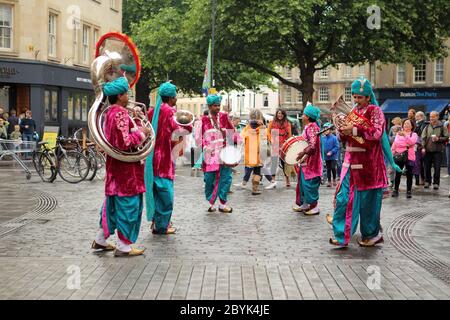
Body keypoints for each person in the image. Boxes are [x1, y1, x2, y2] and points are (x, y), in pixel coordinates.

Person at [91, 77, 150, 257]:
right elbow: (124, 143)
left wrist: (136, 119)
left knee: (112, 206)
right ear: (119, 95)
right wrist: (142, 132)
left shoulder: (111, 112)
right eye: (126, 93)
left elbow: (119, 137)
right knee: (128, 206)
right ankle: (124, 246)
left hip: (115, 168)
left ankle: (100, 240)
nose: (129, 96)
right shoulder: (120, 114)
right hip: (127, 171)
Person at [330, 77, 386, 247]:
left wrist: (354, 128)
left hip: (369, 167)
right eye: (354, 97)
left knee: (369, 204)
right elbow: (343, 139)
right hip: (349, 164)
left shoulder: (375, 111)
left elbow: (376, 134)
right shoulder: (353, 112)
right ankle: (341, 236)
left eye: (359, 97)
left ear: (368, 97)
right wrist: (341, 129)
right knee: (343, 200)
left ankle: (371, 235)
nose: (356, 100)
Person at [146, 82, 192, 234]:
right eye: (175, 96)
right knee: (166, 195)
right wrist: (188, 126)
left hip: (151, 157)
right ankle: (162, 226)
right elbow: (181, 129)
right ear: (171, 97)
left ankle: (155, 221)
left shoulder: (152, 111)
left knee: (155, 192)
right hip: (164, 159)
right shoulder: (169, 111)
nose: (176, 99)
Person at [197, 94, 238, 212]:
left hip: (224, 152)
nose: (218, 107)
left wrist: (227, 135)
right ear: (209, 106)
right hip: (210, 154)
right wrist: (206, 146)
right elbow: (199, 137)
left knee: (226, 178)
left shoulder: (224, 117)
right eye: (215, 105)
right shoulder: (203, 119)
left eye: (219, 105)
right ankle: (211, 202)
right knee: (209, 179)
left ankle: (222, 204)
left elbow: (232, 133)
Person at [292, 103, 322, 215]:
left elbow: (313, 145)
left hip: (311, 162)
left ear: (308, 116)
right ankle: (305, 204)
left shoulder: (313, 127)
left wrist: (302, 153)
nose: (302, 116)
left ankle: (314, 207)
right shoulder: (308, 127)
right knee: (303, 184)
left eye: (304, 114)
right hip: (305, 161)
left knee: (310, 185)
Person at [240, 109, 276, 194]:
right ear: (260, 116)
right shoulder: (262, 128)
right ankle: (254, 189)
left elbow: (243, 137)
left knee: (251, 169)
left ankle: (249, 184)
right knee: (257, 171)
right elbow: (266, 140)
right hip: (259, 153)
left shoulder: (247, 128)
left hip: (249, 152)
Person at [421, 111, 449, 190]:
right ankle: (427, 181)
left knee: (437, 168)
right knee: (427, 167)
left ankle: (436, 183)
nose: (431, 118)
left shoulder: (442, 126)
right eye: (430, 116)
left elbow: (447, 137)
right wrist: (423, 147)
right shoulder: (427, 126)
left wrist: (438, 139)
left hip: (438, 150)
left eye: (433, 116)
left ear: (437, 117)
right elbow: (423, 138)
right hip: (428, 150)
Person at [391, 119, 418, 198]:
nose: (406, 125)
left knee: (409, 174)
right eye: (405, 123)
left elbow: (412, 142)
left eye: (408, 124)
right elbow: (396, 143)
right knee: (398, 173)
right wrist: (406, 145)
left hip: (409, 156)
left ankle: (409, 191)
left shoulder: (414, 134)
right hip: (399, 155)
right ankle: (396, 190)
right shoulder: (398, 134)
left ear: (412, 126)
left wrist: (405, 136)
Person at [267, 108, 292, 187]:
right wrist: (271, 139)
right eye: (278, 113)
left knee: (284, 163)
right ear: (276, 114)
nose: (279, 115)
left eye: (281, 113)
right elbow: (268, 132)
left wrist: (287, 144)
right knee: (274, 162)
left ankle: (287, 179)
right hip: (275, 143)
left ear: (283, 115)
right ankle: (273, 180)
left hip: (284, 144)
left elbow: (289, 134)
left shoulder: (287, 123)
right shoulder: (272, 122)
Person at [322, 122, 340, 187]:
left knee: (333, 167)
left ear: (330, 130)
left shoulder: (334, 138)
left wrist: (331, 152)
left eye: (327, 129)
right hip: (326, 156)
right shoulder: (323, 138)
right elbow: (321, 147)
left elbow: (337, 147)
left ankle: (334, 179)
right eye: (324, 129)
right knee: (328, 168)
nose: (325, 131)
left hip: (333, 156)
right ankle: (329, 181)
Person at [414, 111, 429, 185]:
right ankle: (422, 179)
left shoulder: (424, 124)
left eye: (417, 115)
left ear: (421, 116)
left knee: (422, 163)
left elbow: (421, 135)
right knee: (418, 163)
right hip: (417, 145)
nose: (415, 117)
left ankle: (424, 179)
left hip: (421, 145)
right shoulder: (416, 123)